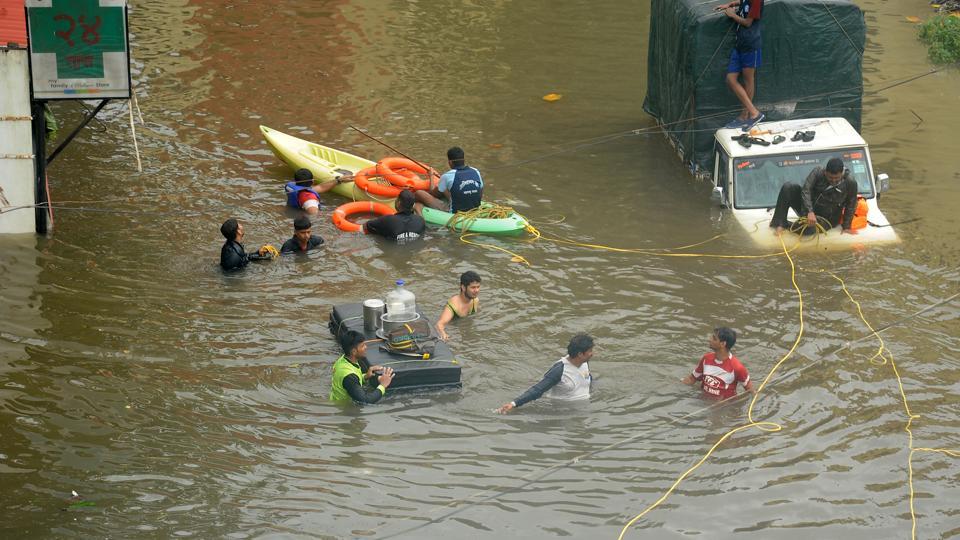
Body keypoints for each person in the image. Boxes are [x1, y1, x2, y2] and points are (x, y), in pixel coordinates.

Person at [496, 333, 595, 414]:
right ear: (580, 354)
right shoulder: (559, 370)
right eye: (590, 351)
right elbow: (538, 390)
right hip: (562, 411)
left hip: (583, 410)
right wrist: (514, 404)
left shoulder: (584, 362)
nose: (592, 353)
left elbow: (586, 378)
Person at [769, 157, 859, 236]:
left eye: (837, 178)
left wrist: (846, 227)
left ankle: (789, 225)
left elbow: (851, 204)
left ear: (842, 173)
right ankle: (780, 223)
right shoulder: (817, 172)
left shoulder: (850, 182)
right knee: (789, 187)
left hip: (827, 219)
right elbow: (806, 190)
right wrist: (810, 211)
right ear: (825, 172)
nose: (833, 181)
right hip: (808, 210)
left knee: (810, 229)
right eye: (830, 178)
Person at [717, 0, 765, 131]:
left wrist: (732, 15)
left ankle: (748, 115)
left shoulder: (757, 1)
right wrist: (730, 4)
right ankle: (752, 113)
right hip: (739, 45)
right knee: (730, 79)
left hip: (750, 45)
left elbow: (748, 23)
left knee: (748, 80)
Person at [681, 327, 755, 399]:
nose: (709, 339)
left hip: (725, 406)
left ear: (723, 344)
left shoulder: (737, 368)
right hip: (702, 401)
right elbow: (691, 379)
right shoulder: (706, 358)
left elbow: (751, 391)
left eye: (714, 338)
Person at [329, 330, 395, 404]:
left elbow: (353, 380)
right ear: (354, 351)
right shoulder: (349, 376)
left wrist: (365, 376)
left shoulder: (343, 360)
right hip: (343, 407)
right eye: (362, 346)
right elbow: (366, 400)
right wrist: (383, 385)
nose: (366, 347)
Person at [414, 147, 483, 213]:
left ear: (450, 162)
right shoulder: (476, 171)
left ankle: (416, 208)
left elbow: (432, 193)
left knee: (419, 193)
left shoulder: (447, 176)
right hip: (474, 209)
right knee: (445, 188)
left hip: (456, 212)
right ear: (464, 160)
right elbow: (480, 190)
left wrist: (431, 176)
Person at [435, 271, 481, 341]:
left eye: (478, 287)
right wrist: (443, 334)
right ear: (463, 287)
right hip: (452, 327)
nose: (476, 290)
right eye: (473, 287)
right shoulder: (454, 305)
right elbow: (439, 324)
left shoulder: (475, 301)